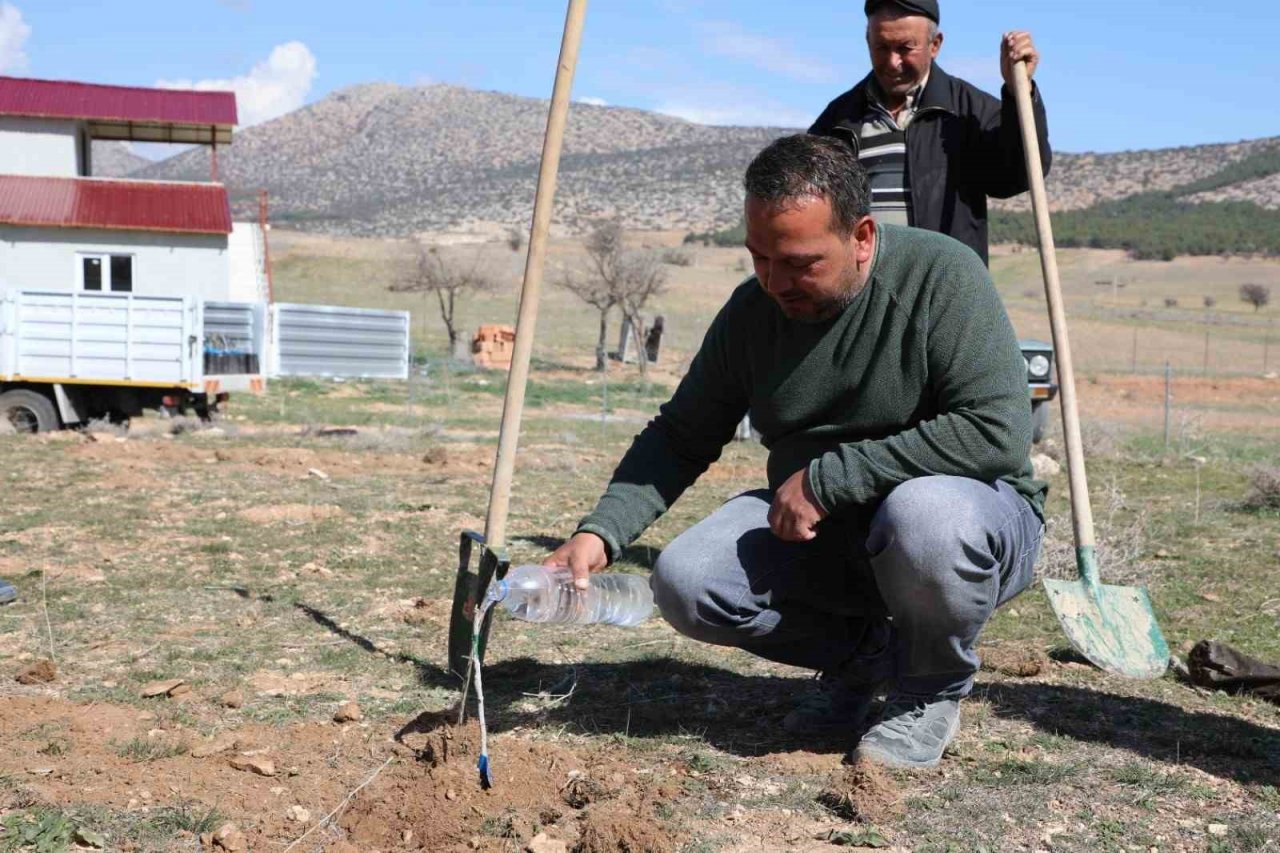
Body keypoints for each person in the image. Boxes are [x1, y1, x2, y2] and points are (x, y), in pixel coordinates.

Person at [545, 135, 1046, 768]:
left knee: (925, 515)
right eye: (759, 258)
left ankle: (929, 688)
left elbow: (996, 430)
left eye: (800, 262)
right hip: (828, 537)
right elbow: (681, 434)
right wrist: (600, 532)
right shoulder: (752, 311)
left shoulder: (941, 275)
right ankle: (866, 657)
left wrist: (831, 478)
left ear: (862, 236)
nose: (775, 282)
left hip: (968, 523)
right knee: (687, 580)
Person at [809, 0, 1049, 266]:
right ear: (868, 41)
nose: (893, 62)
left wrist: (1018, 93)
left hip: (945, 285)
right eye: (881, 47)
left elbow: (1016, 175)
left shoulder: (969, 110)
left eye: (905, 48)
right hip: (863, 287)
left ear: (935, 45)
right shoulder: (838, 120)